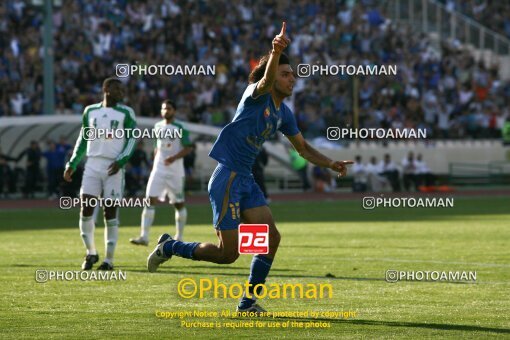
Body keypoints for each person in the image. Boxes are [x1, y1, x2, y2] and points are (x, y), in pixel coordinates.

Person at [146, 22, 353, 313]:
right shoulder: (256, 95)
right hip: (227, 177)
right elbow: (266, 82)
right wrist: (275, 51)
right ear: (272, 75)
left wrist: (331, 163)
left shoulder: (284, 113)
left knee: (269, 239)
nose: (291, 79)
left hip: (245, 180)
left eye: (292, 74)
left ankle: (247, 302)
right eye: (285, 73)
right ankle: (170, 246)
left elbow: (303, 149)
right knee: (226, 254)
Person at [63, 77, 137, 271]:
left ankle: (109, 260)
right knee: (85, 210)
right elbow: (83, 138)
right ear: (106, 89)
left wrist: (121, 161)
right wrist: (72, 163)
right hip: (92, 165)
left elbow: (131, 140)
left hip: (114, 167)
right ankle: (91, 253)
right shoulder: (90, 111)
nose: (122, 92)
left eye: (122, 89)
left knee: (110, 212)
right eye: (117, 88)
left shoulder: (127, 113)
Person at [130, 100, 193, 245]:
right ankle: (144, 237)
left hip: (175, 172)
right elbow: (156, 147)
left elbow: (189, 147)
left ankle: (180, 236)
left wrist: (174, 157)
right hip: (158, 170)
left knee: (179, 203)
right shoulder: (157, 126)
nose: (166, 111)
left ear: (174, 111)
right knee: (149, 199)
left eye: (169, 108)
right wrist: (155, 159)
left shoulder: (180, 127)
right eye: (164, 108)